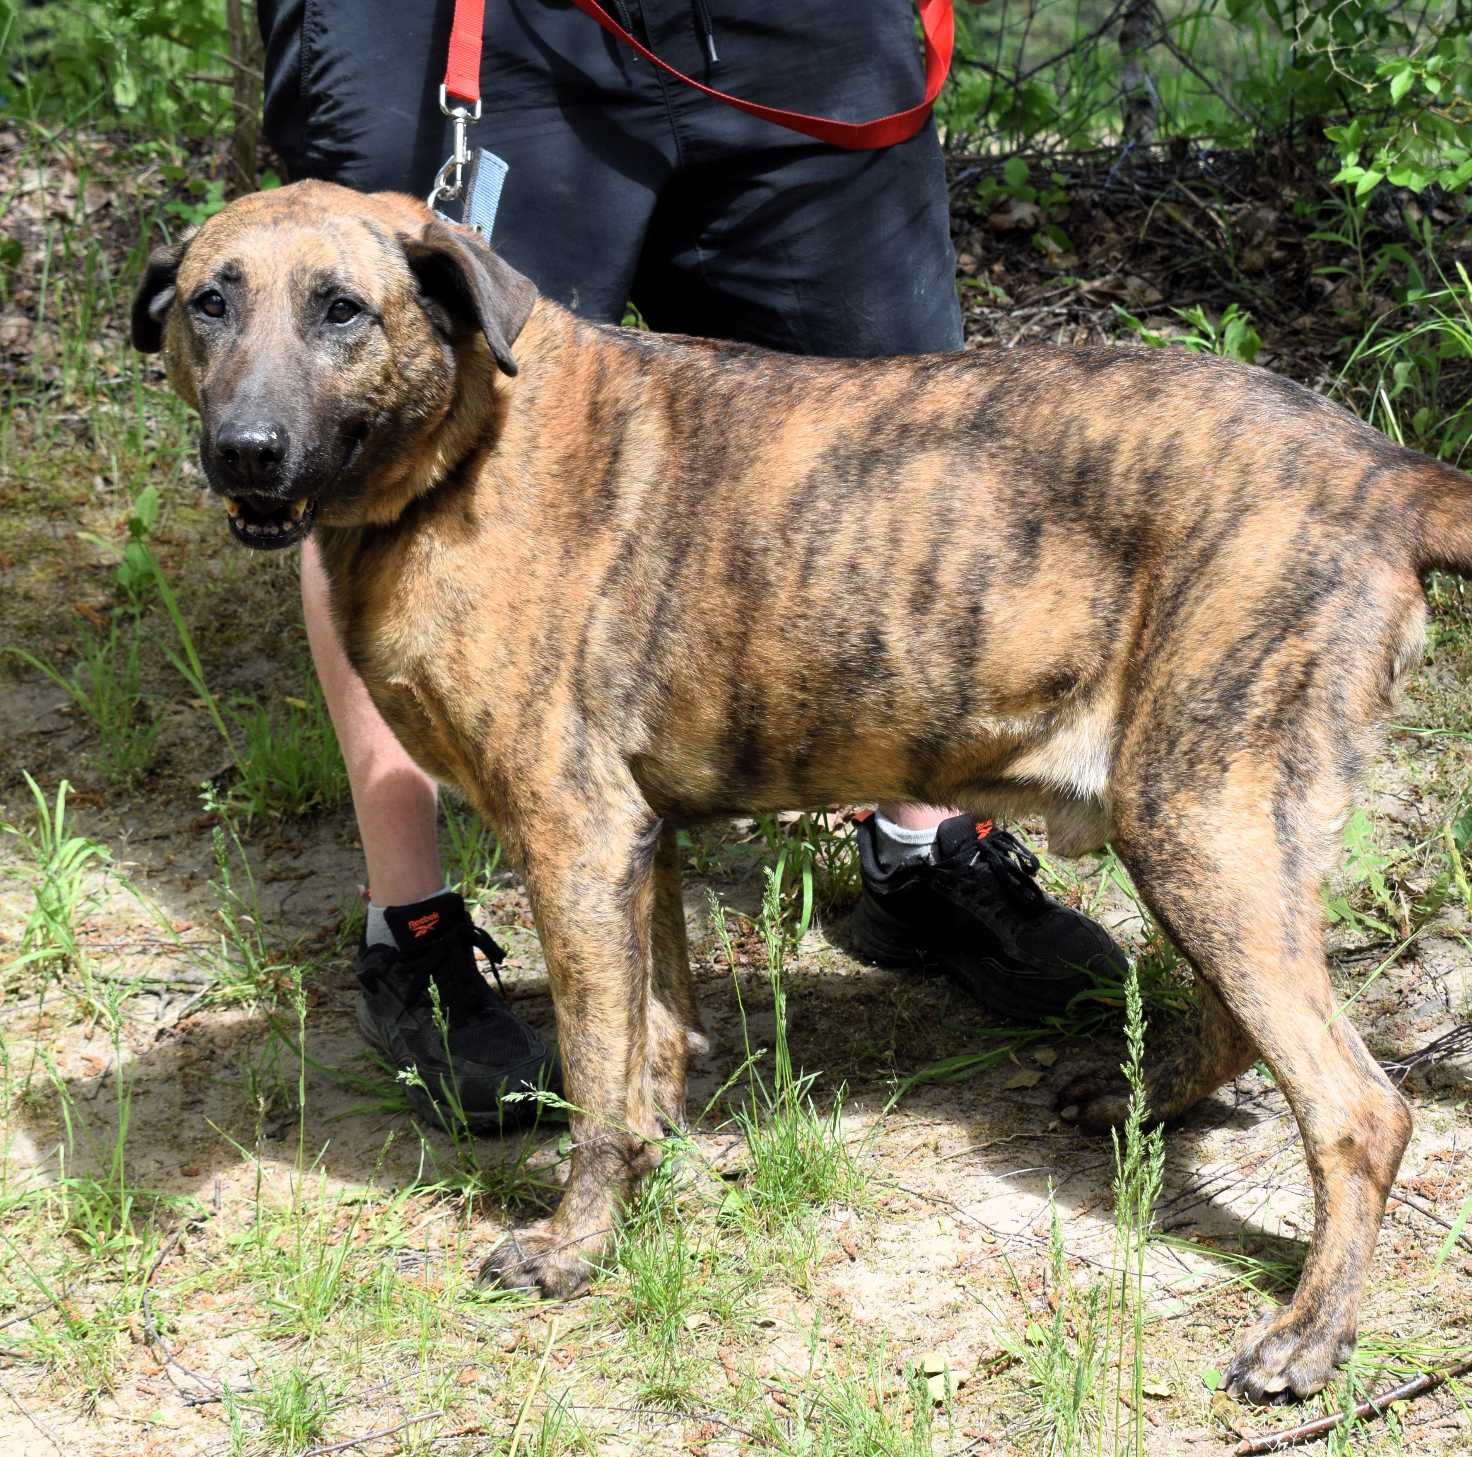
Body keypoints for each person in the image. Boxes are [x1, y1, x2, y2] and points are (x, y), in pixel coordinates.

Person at [257, 0, 1126, 1132]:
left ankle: (923, 849)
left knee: (893, 404)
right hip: (462, 25)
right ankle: (414, 925)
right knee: (372, 430)